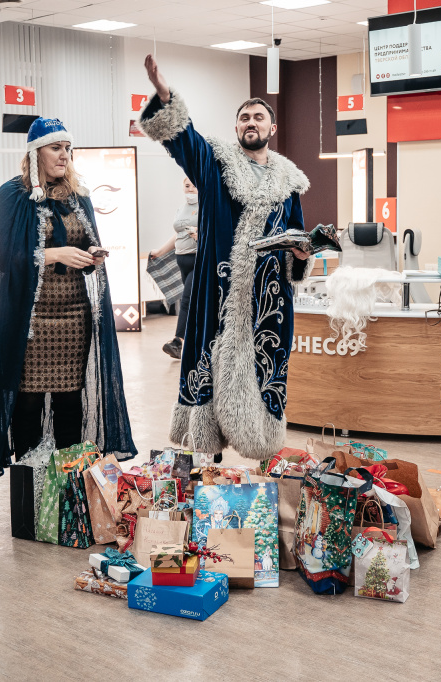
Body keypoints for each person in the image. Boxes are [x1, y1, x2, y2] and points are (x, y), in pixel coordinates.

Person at [139, 55, 311, 461]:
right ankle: (207, 461)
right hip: (219, 293)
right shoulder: (215, 163)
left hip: (269, 301)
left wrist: (301, 255)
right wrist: (164, 92)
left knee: (266, 371)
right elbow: (184, 140)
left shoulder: (290, 182)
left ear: (272, 127)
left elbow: (297, 238)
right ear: (237, 128)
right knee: (209, 368)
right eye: (244, 118)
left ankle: (263, 459)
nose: (251, 122)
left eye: (258, 117)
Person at [0, 117, 136, 485]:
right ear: (36, 153)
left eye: (67, 148)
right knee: (29, 403)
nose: (64, 155)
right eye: (56, 148)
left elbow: (80, 244)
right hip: (30, 321)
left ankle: (68, 488)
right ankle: (32, 488)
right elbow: (3, 257)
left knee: (70, 401)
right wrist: (55, 255)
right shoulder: (12, 196)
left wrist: (89, 252)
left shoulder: (77, 196)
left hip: (74, 317)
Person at [149, 177, 199, 359]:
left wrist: (198, 236)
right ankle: (196, 339)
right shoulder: (182, 208)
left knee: (186, 300)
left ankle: (177, 342)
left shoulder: (206, 206)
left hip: (198, 260)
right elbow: (177, 235)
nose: (191, 189)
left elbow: (213, 235)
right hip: (182, 261)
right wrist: (160, 251)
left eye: (194, 186)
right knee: (193, 303)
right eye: (187, 186)